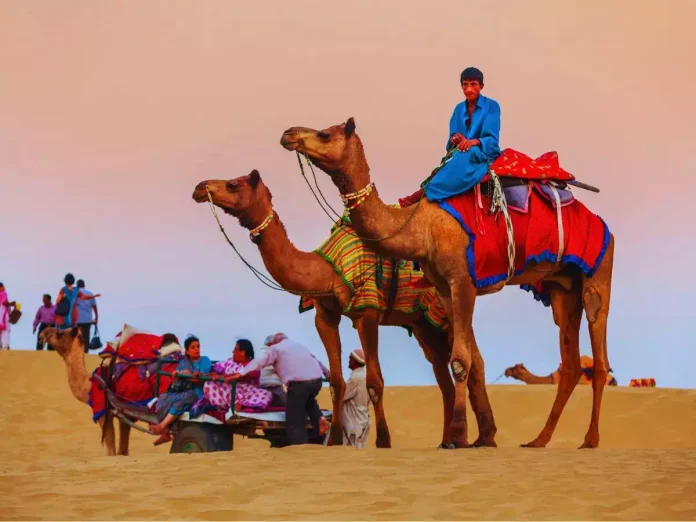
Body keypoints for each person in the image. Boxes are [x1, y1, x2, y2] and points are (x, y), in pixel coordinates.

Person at [399, 67, 502, 206]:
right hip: (461, 153)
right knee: (452, 160)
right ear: (461, 86)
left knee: (466, 154)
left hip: (482, 154)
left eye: (473, 84)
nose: (469, 89)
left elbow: (492, 141)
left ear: (481, 86)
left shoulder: (492, 106)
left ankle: (422, 194)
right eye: (465, 84)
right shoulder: (458, 109)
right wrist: (455, 139)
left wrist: (473, 142)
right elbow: (451, 140)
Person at [229, 332, 329, 445]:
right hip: (316, 382)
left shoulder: (275, 349)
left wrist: (240, 373)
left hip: (298, 385)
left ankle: (300, 445)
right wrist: (329, 376)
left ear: (274, 342)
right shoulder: (299, 347)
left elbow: (259, 363)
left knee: (293, 418)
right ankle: (319, 422)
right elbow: (318, 362)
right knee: (309, 402)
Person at [150, 335, 212, 445]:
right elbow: (175, 377)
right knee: (164, 397)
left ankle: (162, 427)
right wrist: (176, 375)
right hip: (183, 390)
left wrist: (188, 375)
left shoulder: (205, 360)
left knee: (180, 402)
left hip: (199, 392)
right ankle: (165, 432)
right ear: (187, 351)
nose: (197, 349)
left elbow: (201, 380)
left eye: (198, 346)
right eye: (193, 347)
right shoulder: (184, 362)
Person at [192, 339, 273, 416]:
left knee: (264, 395)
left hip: (246, 392)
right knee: (209, 384)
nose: (233, 352)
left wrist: (221, 377)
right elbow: (214, 372)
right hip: (229, 390)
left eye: (235, 349)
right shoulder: (230, 362)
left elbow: (241, 377)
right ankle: (225, 405)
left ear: (243, 352)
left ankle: (239, 404)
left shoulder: (253, 365)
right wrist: (202, 375)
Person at [342, 348, 370, 448]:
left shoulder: (355, 378)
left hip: (354, 422)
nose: (349, 361)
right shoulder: (366, 376)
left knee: (352, 454)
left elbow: (342, 396)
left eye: (350, 358)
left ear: (355, 361)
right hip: (363, 419)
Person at [259, 335, 288, 407]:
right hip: (269, 389)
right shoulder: (271, 354)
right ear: (270, 344)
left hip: (262, 389)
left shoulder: (260, 353)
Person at [75, 279, 98, 351]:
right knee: (86, 337)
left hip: (77, 320)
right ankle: (85, 353)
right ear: (84, 285)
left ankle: (78, 352)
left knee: (77, 337)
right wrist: (96, 318)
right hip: (87, 320)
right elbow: (94, 307)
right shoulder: (90, 294)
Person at [0, 282, 17, 350]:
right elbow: (4, 302)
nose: (4, 287)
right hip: (3, 315)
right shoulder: (3, 293)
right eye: (3, 286)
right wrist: (11, 304)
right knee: (5, 331)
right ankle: (5, 347)